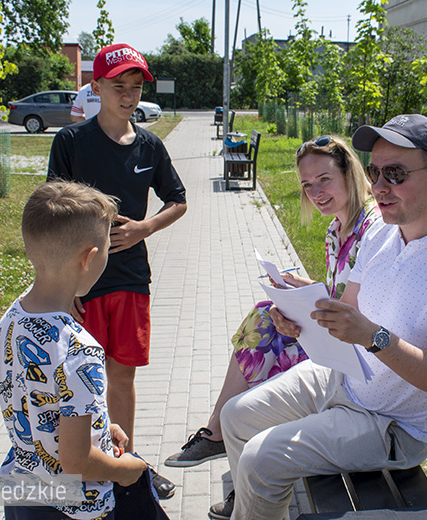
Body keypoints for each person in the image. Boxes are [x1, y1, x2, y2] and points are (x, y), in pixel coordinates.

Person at [208, 114, 427, 520]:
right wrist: (300, 315)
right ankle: (252, 507)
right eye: (374, 171)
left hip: (393, 424)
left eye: (395, 174)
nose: (379, 186)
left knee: (262, 459)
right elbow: (348, 311)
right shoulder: (382, 233)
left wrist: (373, 337)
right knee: (235, 416)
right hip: (345, 376)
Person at [164, 135, 384, 468]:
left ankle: (230, 442)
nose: (315, 192)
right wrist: (300, 290)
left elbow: (365, 309)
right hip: (338, 336)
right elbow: (340, 293)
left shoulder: (374, 228)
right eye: (307, 185)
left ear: (348, 173)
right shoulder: (336, 229)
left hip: (359, 354)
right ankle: (230, 439)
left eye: (324, 179)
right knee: (267, 315)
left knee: (268, 334)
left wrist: (305, 310)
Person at [47, 43, 186, 497]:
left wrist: (145, 227)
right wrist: (64, 283)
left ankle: (127, 467)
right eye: (118, 86)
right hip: (81, 283)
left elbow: (178, 200)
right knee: (81, 378)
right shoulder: (71, 142)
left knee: (122, 375)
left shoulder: (149, 145)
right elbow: (53, 211)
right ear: (96, 87)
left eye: (136, 87)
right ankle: (85, 463)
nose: (128, 95)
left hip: (130, 279)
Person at [0, 181, 147, 520]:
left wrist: (101, 427)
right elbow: (77, 461)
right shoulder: (79, 350)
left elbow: (39, 404)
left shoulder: (9, 320)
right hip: (74, 508)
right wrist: (127, 470)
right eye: (106, 249)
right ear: (89, 258)